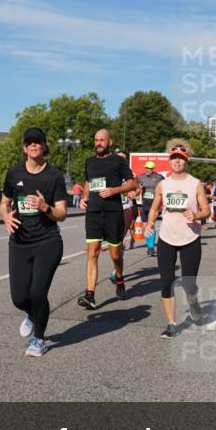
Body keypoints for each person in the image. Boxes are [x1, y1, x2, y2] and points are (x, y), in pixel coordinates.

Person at [0, 127, 68, 357]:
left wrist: (44, 207)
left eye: (37, 142)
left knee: (38, 293)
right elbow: (4, 203)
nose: (33, 146)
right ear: (24, 148)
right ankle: (31, 313)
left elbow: (62, 213)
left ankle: (39, 339)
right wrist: (6, 216)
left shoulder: (54, 176)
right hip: (19, 242)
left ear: (44, 146)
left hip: (47, 241)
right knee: (19, 298)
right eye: (29, 142)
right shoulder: (14, 174)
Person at [144, 142, 210, 338]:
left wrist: (196, 216)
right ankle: (171, 324)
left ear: (186, 161)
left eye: (181, 157)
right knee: (166, 282)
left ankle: (193, 300)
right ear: (170, 161)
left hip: (190, 238)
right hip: (166, 237)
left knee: (189, 284)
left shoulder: (195, 183)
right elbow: (155, 208)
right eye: (174, 158)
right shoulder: (162, 184)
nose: (177, 161)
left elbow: (206, 209)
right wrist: (149, 223)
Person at [78, 129, 137, 308]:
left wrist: (114, 190)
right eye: (96, 140)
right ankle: (90, 294)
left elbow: (132, 183)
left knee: (115, 254)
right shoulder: (89, 161)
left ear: (110, 142)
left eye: (102, 140)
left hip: (113, 212)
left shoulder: (118, 161)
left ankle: (119, 277)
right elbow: (88, 182)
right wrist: (84, 197)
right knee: (92, 252)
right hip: (94, 212)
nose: (98, 143)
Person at [137, 161, 164, 258]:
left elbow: (165, 186)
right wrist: (137, 190)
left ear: (153, 169)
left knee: (151, 225)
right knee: (145, 227)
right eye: (146, 168)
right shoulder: (141, 177)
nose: (147, 170)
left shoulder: (159, 177)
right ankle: (149, 246)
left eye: (149, 168)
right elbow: (136, 186)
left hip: (154, 205)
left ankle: (151, 247)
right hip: (145, 204)